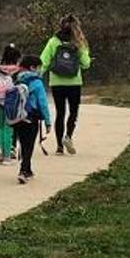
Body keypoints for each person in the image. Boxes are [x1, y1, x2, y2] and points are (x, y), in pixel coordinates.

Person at [40, 14, 91, 156]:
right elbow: (86, 64)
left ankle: (59, 147)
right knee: (73, 113)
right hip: (74, 82)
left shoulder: (53, 41)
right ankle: (68, 136)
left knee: (60, 113)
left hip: (56, 82)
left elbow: (43, 61)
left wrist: (37, 75)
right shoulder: (78, 42)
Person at [13, 55, 52, 184]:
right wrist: (47, 121)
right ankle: (23, 170)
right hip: (31, 116)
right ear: (32, 67)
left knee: (23, 143)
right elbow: (42, 103)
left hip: (18, 117)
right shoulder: (36, 82)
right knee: (29, 145)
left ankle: (27, 169)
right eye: (38, 67)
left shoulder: (16, 80)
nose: (39, 70)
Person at [0, 44, 22, 165]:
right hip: (9, 104)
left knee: (1, 127)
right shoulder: (15, 69)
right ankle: (7, 156)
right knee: (9, 129)